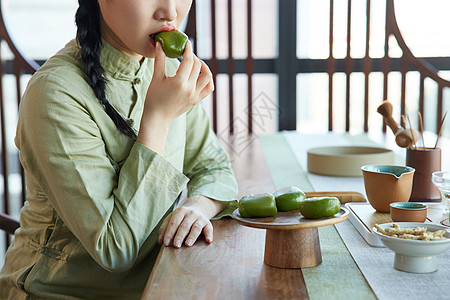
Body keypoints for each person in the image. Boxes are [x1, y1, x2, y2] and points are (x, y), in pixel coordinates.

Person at [0, 0, 238, 298]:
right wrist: (159, 118)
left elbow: (214, 168)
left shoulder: (169, 73)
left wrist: (198, 206)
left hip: (158, 285)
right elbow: (115, 250)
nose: (170, 11)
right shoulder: (53, 93)